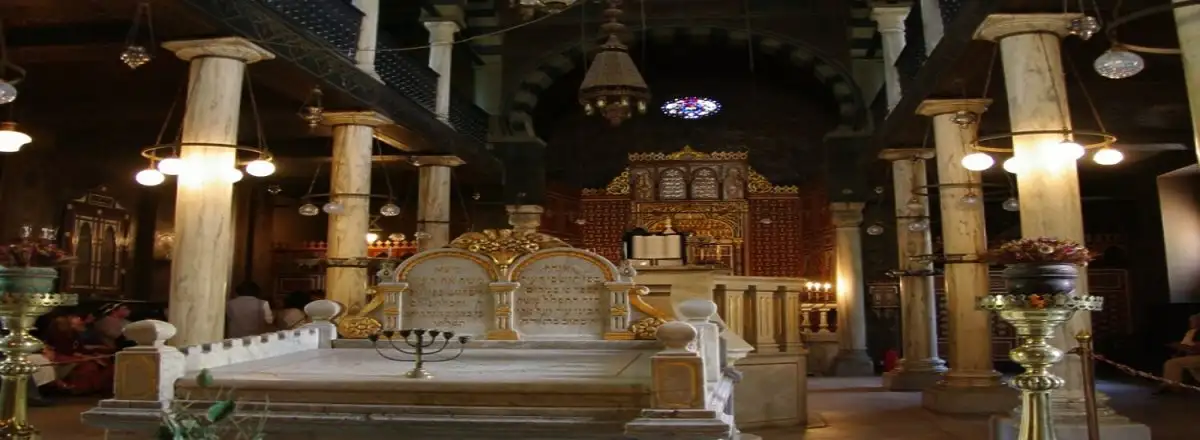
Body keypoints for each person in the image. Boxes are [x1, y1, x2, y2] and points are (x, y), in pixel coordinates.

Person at [42, 314, 113, 395]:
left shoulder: (74, 333)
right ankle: (78, 389)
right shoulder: (55, 335)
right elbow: (62, 350)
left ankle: (98, 387)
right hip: (62, 357)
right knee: (89, 366)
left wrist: (93, 353)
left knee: (102, 362)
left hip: (74, 355)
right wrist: (80, 356)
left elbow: (80, 348)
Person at [1158, 313, 1200, 393]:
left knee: (1172, 363)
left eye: (1193, 321)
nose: (1191, 323)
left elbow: (1196, 347)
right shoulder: (1190, 333)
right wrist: (1178, 351)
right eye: (1191, 321)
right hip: (1191, 355)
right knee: (1174, 361)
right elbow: (1185, 345)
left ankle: (1172, 387)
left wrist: (1187, 348)